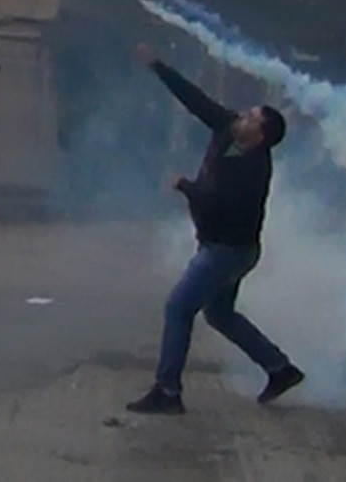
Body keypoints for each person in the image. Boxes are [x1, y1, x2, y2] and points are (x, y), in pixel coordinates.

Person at [127, 44, 305, 416]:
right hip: (227, 248)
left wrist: (184, 186)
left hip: (229, 251)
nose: (242, 115)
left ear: (260, 135)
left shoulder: (253, 170)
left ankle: (168, 391)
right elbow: (194, 98)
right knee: (220, 314)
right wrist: (157, 65)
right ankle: (280, 368)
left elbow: (217, 204)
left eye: (251, 117)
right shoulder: (227, 127)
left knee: (178, 308)